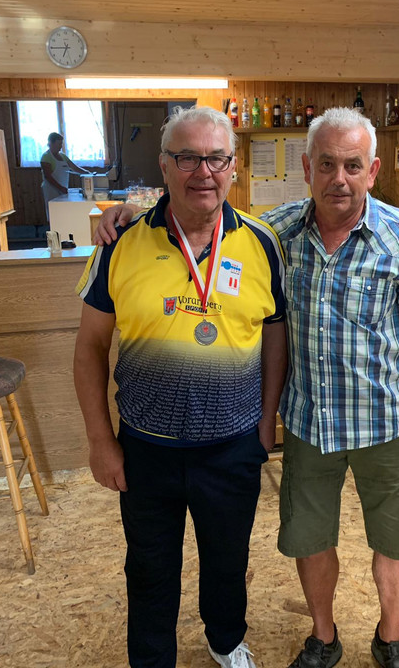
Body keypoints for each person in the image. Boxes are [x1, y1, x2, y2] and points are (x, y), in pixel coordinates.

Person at [94, 107, 399, 668]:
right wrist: (130, 210)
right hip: (307, 425)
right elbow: (199, 205)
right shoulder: (278, 232)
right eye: (327, 164)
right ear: (307, 168)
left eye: (353, 165)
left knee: (393, 539)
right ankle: (323, 637)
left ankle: (390, 639)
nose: (339, 178)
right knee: (306, 540)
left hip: (383, 420)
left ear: (372, 170)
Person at [73, 106, 287, 668]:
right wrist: (100, 441)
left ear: (233, 167)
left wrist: (267, 420)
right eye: (187, 158)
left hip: (233, 446)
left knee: (227, 561)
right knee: (149, 569)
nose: (203, 172)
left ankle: (226, 641)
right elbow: (90, 347)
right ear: (164, 166)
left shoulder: (263, 242)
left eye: (216, 158)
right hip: (146, 447)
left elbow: (275, 336)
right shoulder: (120, 241)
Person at [40, 132, 92, 219]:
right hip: (51, 189)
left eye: (61, 144)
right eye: (59, 144)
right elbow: (48, 176)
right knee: (53, 213)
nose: (61, 146)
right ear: (51, 143)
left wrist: (87, 173)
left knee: (63, 213)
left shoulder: (63, 156)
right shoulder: (46, 157)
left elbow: (74, 167)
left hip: (63, 188)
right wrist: (60, 188)